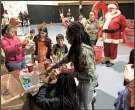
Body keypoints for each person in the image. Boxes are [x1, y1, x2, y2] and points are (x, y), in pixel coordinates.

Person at [45, 21, 98, 110]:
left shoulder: (84, 51)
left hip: (88, 80)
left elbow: (89, 74)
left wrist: (68, 72)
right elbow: (66, 59)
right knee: (79, 100)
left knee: (86, 104)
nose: (66, 37)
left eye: (67, 35)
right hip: (82, 79)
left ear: (74, 36)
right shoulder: (75, 47)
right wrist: (52, 67)